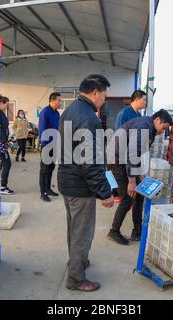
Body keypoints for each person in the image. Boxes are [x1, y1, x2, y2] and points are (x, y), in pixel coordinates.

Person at [58, 74, 114, 292]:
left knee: (74, 228)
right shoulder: (88, 117)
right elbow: (90, 162)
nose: (104, 101)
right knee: (82, 233)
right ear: (95, 92)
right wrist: (105, 193)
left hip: (67, 181)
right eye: (104, 96)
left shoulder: (70, 111)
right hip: (80, 187)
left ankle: (77, 262)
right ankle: (75, 278)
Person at [108, 110, 173, 245]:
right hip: (117, 161)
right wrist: (131, 180)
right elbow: (133, 154)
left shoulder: (149, 128)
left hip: (125, 161)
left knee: (140, 194)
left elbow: (140, 153)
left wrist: (141, 175)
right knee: (127, 199)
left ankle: (137, 231)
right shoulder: (143, 127)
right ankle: (114, 231)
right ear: (157, 120)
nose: (163, 131)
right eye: (164, 127)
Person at [38, 93, 62, 202]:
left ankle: (48, 188)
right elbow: (42, 130)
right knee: (44, 169)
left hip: (55, 145)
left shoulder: (56, 113)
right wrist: (44, 145)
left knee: (51, 168)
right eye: (59, 100)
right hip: (47, 145)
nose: (60, 103)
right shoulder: (45, 112)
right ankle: (43, 192)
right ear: (52, 100)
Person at [0, 95, 14, 195]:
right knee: (7, 163)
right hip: (0, 143)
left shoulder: (1, 113)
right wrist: (2, 141)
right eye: (5, 104)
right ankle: (2, 187)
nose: (6, 107)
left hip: (3, 142)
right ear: (0, 103)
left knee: (1, 164)